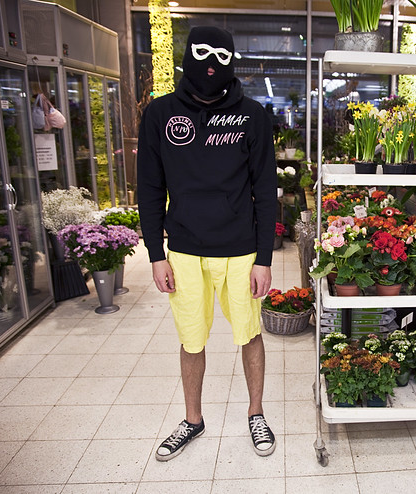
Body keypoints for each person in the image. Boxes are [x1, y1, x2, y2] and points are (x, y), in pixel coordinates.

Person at [137, 26, 277, 461]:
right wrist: (155, 255)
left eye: (221, 55)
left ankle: (255, 412)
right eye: (202, 53)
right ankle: (193, 419)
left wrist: (264, 259)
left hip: (241, 251)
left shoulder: (252, 116)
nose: (211, 64)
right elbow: (149, 188)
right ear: (188, 56)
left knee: (249, 334)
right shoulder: (160, 114)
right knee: (191, 339)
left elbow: (265, 190)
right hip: (183, 250)